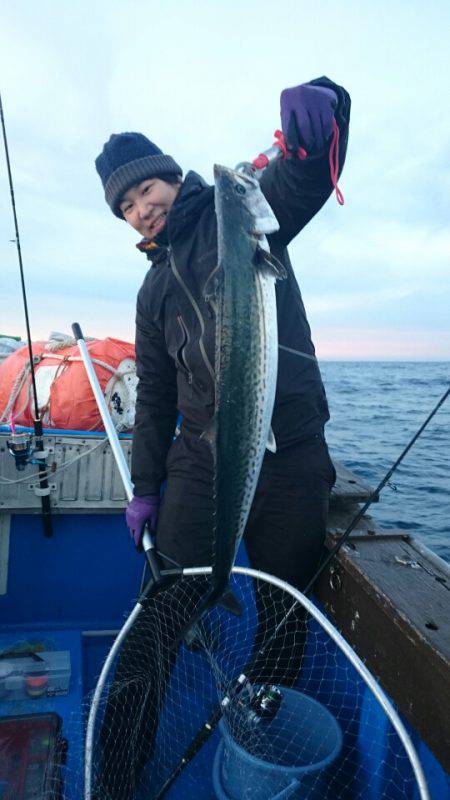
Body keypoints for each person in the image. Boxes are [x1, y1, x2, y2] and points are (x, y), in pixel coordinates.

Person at [94, 76, 350, 798]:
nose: (142, 207)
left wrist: (329, 106)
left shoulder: (245, 215)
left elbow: (304, 172)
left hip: (292, 451)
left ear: (172, 176)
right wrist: (147, 488)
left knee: (283, 606)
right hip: (204, 457)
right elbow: (156, 401)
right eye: (126, 206)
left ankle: (262, 722)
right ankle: (116, 768)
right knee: (160, 613)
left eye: (146, 188)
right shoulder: (153, 291)